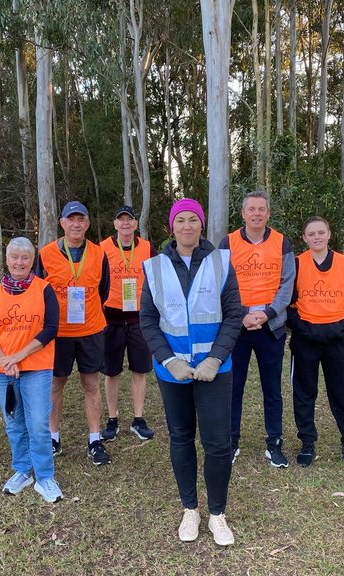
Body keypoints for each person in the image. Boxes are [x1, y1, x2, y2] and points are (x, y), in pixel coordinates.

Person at [139, 198, 242, 547]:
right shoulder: (153, 267)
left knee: (217, 443)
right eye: (180, 220)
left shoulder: (221, 263)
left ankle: (217, 514)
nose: (187, 226)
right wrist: (169, 360)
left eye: (193, 220)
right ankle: (190, 509)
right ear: (172, 226)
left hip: (215, 370)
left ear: (201, 225)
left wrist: (215, 358)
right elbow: (148, 320)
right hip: (174, 372)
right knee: (181, 438)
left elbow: (233, 314)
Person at [287, 216, 344, 469]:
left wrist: (342, 325)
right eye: (311, 233)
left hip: (337, 341)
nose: (316, 237)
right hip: (305, 340)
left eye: (321, 232)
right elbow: (286, 304)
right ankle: (307, 443)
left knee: (340, 393)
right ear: (304, 238)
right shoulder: (296, 264)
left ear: (329, 234)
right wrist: (302, 327)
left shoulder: (343, 263)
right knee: (304, 393)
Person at [0, 237, 63, 502]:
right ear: (7, 260)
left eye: (25, 258)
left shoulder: (44, 289)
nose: (19, 262)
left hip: (36, 366)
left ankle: (45, 476)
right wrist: (6, 360)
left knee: (38, 423)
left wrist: (18, 356)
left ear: (32, 261)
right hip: (2, 369)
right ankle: (22, 470)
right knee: (14, 424)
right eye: (14, 257)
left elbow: (50, 328)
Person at [219, 190, 295, 467]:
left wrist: (266, 314)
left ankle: (274, 444)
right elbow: (220, 284)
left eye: (261, 209)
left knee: (272, 388)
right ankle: (231, 441)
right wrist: (241, 315)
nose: (256, 214)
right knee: (232, 387)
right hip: (236, 327)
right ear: (242, 213)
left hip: (270, 325)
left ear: (268, 213)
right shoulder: (227, 243)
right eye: (251, 209)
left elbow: (287, 285)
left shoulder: (281, 242)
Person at [35, 201, 112, 465]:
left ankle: (95, 440)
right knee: (56, 384)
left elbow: (104, 291)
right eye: (71, 219)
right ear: (62, 223)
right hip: (58, 333)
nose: (76, 224)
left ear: (88, 224)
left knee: (91, 384)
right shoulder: (45, 254)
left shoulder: (99, 254)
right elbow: (38, 292)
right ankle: (53, 437)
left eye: (81, 219)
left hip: (90, 329)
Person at [99, 205, 156, 442]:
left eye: (129, 220)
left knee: (139, 370)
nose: (125, 224)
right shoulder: (101, 248)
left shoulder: (146, 248)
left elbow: (155, 280)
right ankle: (112, 419)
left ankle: (138, 418)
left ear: (135, 224)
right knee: (111, 372)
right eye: (120, 220)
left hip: (138, 318)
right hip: (110, 317)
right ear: (114, 224)